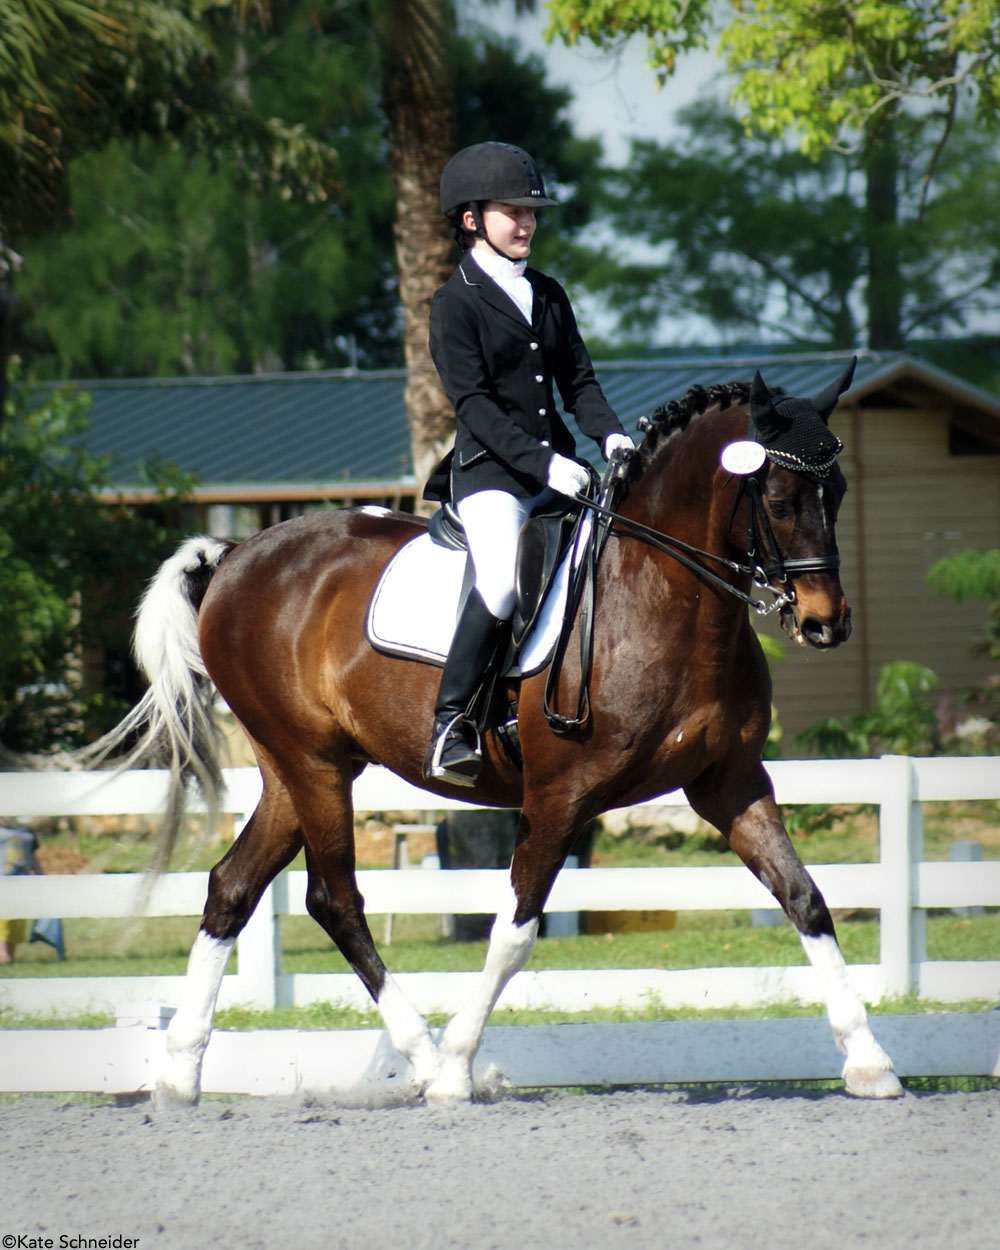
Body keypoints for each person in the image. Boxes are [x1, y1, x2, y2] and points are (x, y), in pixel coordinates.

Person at [422, 141, 634, 787]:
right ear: (471, 219)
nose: (527, 223)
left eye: (532, 212)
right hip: (493, 476)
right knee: (501, 581)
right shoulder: (452, 304)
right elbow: (476, 407)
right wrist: (544, 465)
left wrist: (612, 439)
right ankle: (452, 723)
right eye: (512, 211)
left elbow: (580, 384)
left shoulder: (547, 293)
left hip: (559, 471)